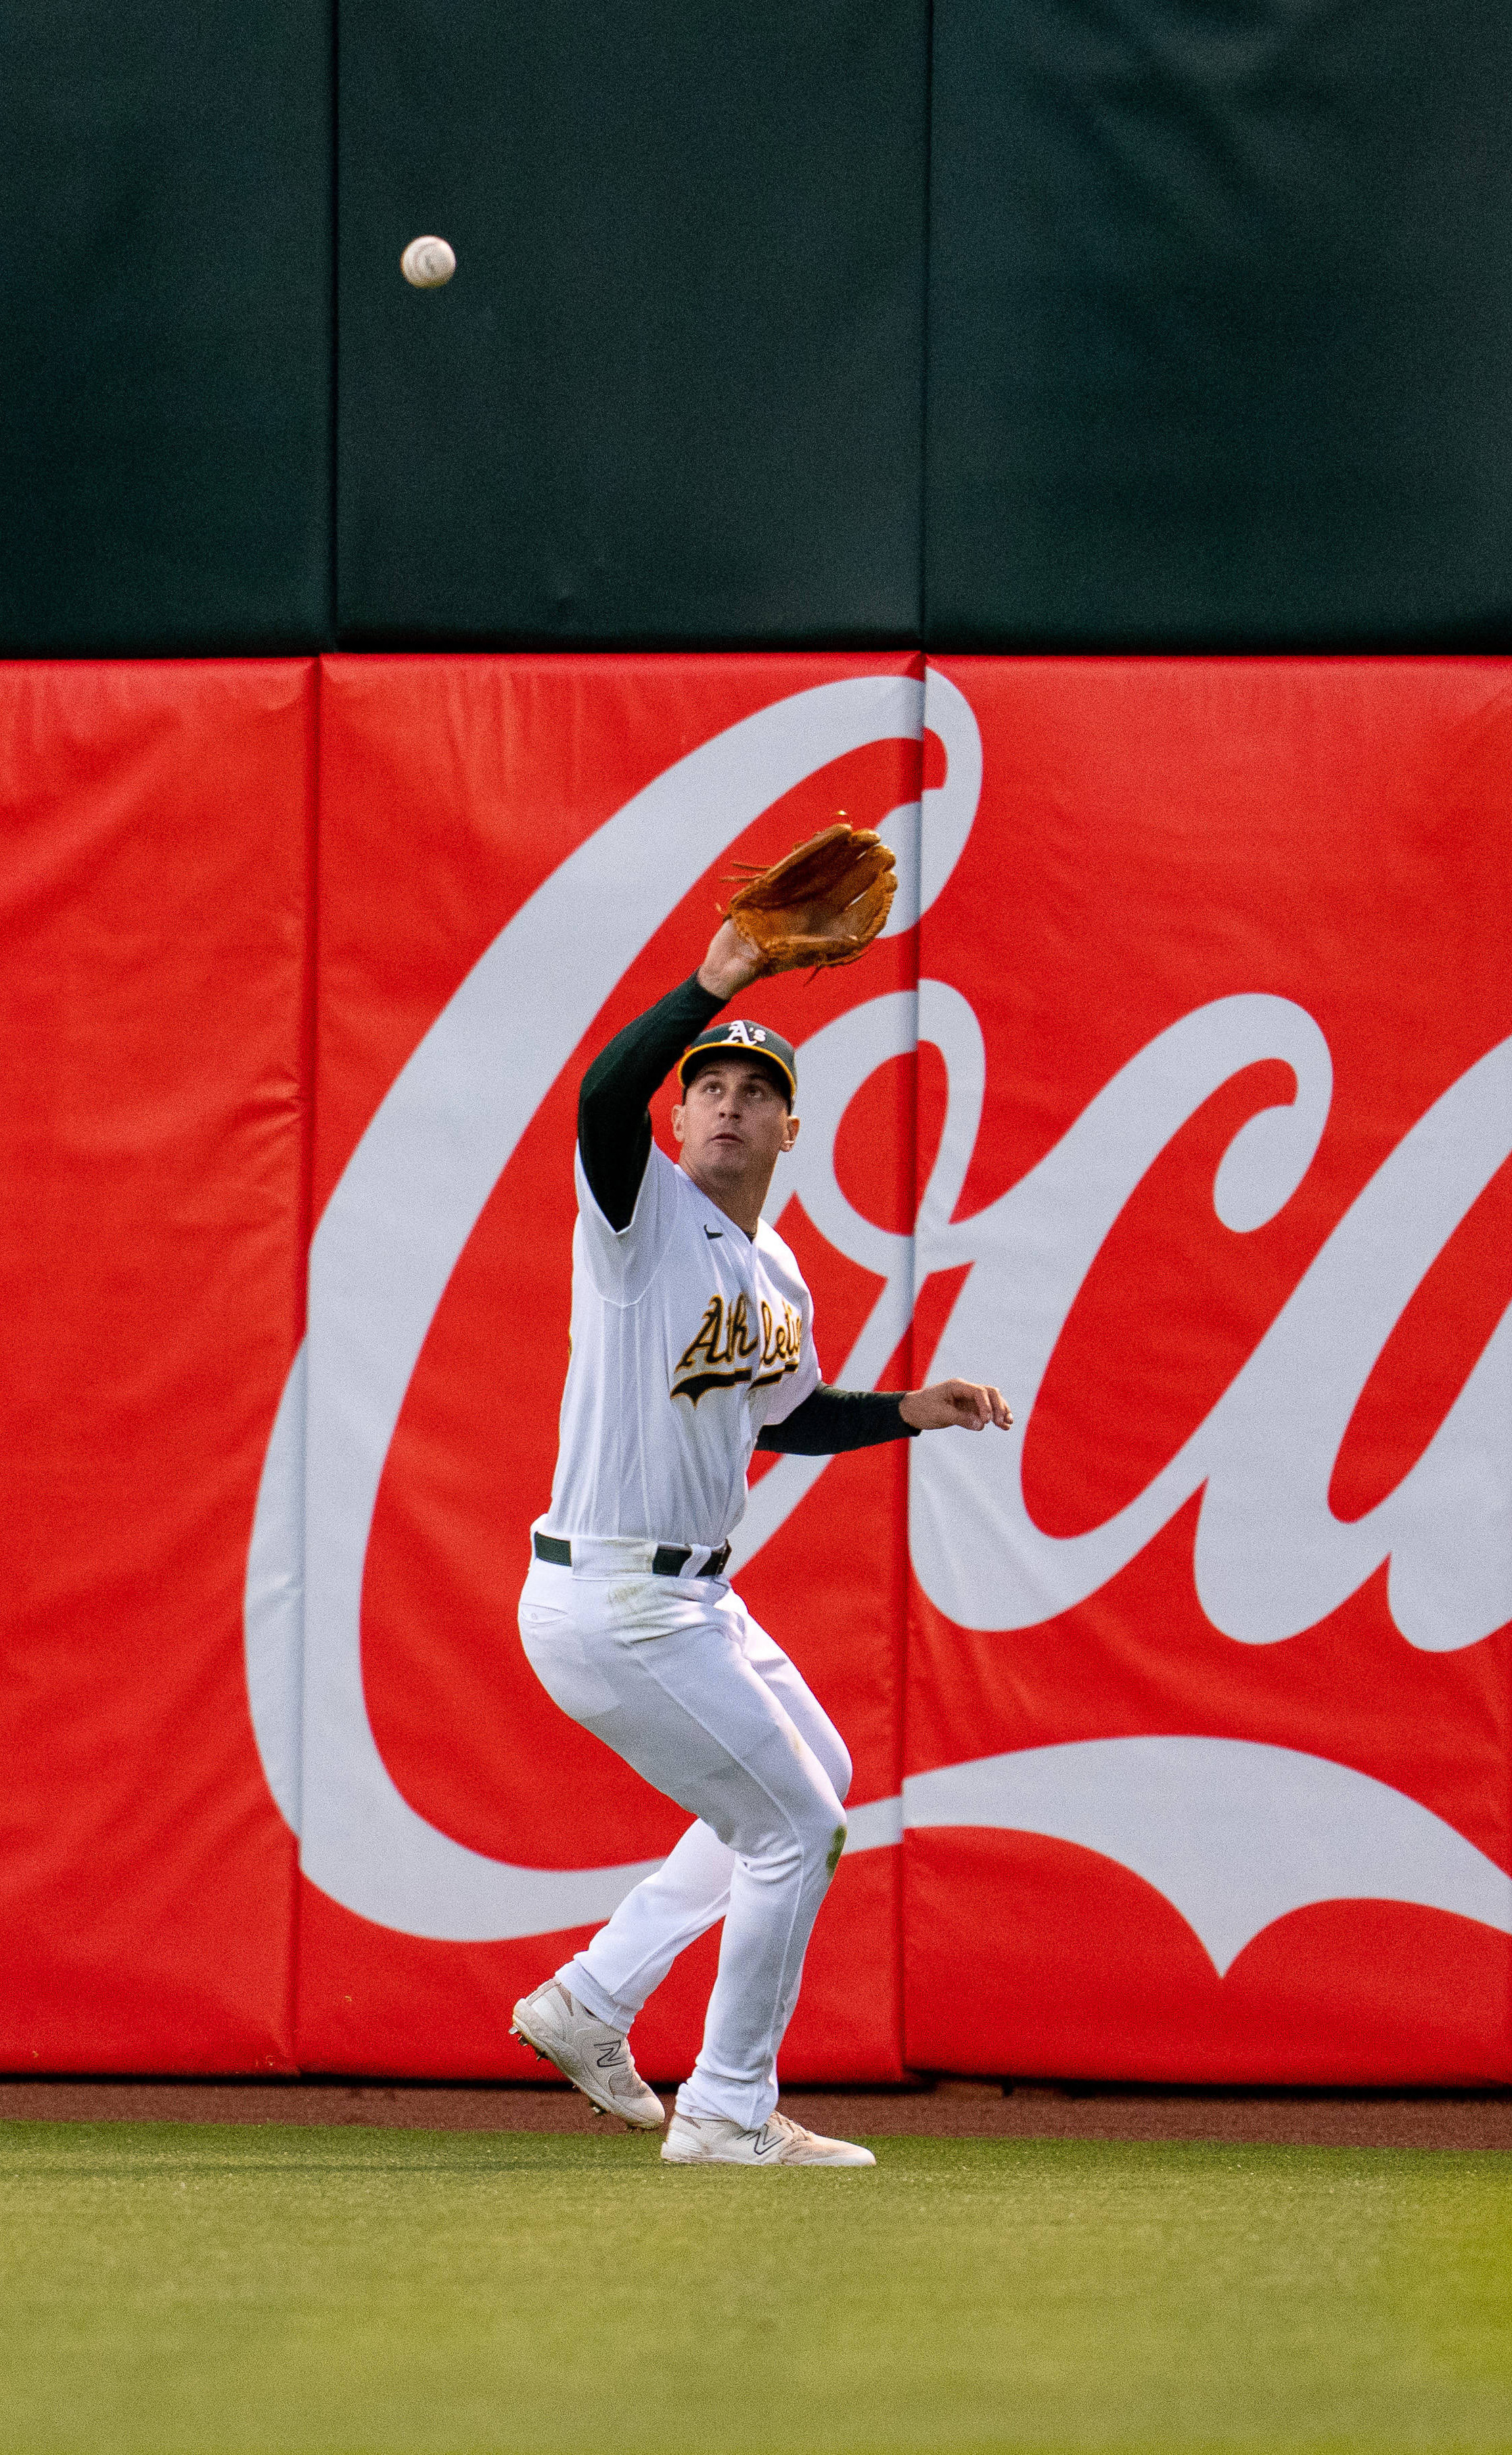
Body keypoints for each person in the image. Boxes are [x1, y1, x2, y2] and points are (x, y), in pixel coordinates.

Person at [511, 911, 1012, 2166]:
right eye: (709, 1090)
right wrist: (710, 985)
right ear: (680, 1126)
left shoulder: (775, 1268)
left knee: (815, 1780)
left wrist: (911, 1409)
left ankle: (594, 2000)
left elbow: (784, 1418)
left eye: (755, 1092)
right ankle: (729, 2110)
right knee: (795, 1830)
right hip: (615, 1597)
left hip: (692, 1599)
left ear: (792, 1130)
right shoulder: (640, 1225)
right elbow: (601, 1094)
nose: (726, 1106)